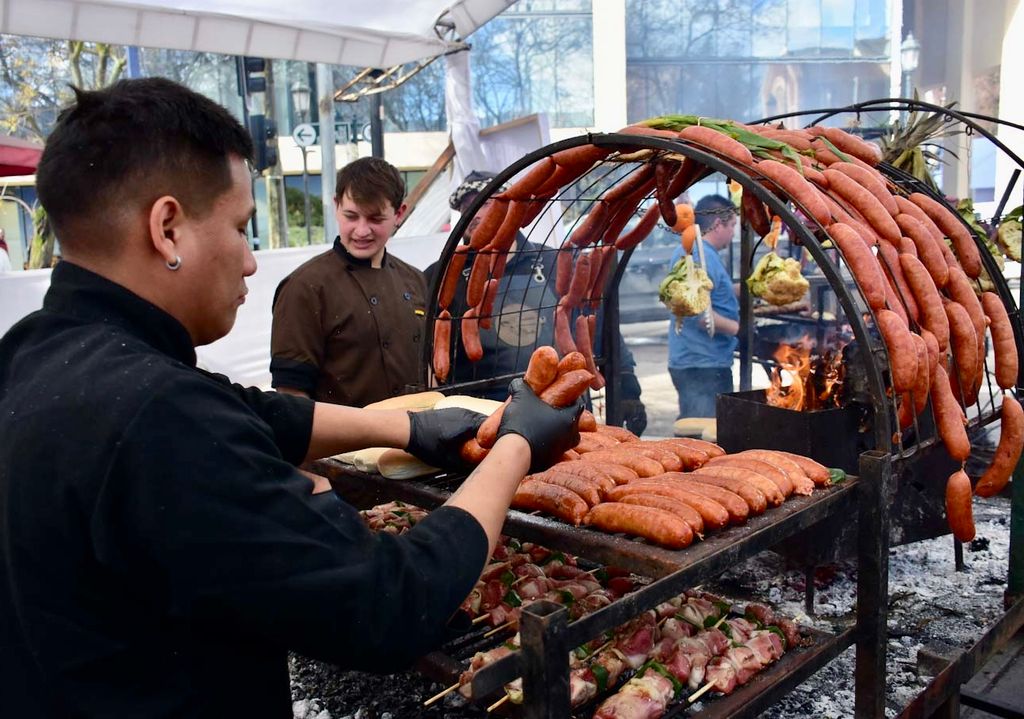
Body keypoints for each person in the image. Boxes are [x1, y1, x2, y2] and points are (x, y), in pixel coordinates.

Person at [0, 78, 582, 718]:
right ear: (167, 229)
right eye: (240, 227)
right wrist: (516, 443)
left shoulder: (32, 353)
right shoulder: (156, 414)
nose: (250, 261)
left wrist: (406, 430)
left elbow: (253, 410)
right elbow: (388, 604)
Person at [425, 171, 647, 435]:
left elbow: (593, 327)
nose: (475, 214)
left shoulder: (553, 262)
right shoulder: (440, 276)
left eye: (487, 203)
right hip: (478, 418)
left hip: (557, 407)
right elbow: (425, 352)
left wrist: (627, 384)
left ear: (513, 210)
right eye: (467, 207)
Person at [270, 157, 427, 407]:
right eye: (351, 216)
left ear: (399, 214)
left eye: (375, 219)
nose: (361, 231)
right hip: (344, 434)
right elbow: (291, 396)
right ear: (336, 206)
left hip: (416, 428)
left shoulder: (416, 280)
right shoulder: (305, 287)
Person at [667, 193, 740, 419]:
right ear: (718, 224)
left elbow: (714, 292)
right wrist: (740, 330)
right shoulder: (697, 256)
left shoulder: (700, 253)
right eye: (732, 225)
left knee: (705, 425)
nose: (734, 232)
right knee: (705, 428)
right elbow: (701, 316)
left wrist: (749, 289)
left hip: (702, 361)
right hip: (701, 364)